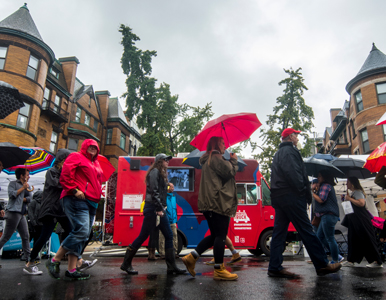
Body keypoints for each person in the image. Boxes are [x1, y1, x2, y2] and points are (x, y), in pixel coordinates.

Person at [268, 128, 341, 278]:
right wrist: (304, 193)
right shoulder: (289, 152)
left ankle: (274, 266)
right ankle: (321, 264)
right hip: (292, 197)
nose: (297, 137)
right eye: (296, 135)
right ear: (289, 137)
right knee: (307, 230)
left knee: (279, 233)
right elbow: (294, 175)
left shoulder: (278, 154)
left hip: (280, 197)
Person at [24, 149, 97, 275]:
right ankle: (30, 263)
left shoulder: (67, 173)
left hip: (62, 209)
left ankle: (77, 262)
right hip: (51, 209)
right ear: (63, 160)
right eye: (68, 160)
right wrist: (72, 183)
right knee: (44, 237)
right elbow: (60, 184)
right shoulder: (52, 172)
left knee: (74, 233)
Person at [181, 136, 239, 281]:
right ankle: (219, 269)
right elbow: (230, 172)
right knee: (220, 236)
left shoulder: (208, 159)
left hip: (211, 203)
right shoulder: (216, 157)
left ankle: (191, 258)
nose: (225, 145)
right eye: (223, 143)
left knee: (215, 236)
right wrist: (233, 160)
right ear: (216, 144)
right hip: (217, 202)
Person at [46, 140, 104, 281]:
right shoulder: (76, 156)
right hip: (76, 198)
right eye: (90, 146)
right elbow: (65, 176)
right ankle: (55, 260)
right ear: (84, 146)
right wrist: (74, 189)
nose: (93, 148)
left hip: (92, 202)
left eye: (95, 147)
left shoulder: (96, 163)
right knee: (82, 231)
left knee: (84, 234)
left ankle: (71, 270)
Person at [120, 153, 186, 275]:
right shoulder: (155, 172)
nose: (168, 162)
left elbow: (159, 191)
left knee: (168, 235)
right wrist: (159, 208)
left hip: (157, 208)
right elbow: (154, 192)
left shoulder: (161, 173)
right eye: (166, 160)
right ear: (160, 161)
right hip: (153, 209)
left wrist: (166, 186)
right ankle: (126, 263)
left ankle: (171, 266)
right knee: (144, 236)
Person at [342, 177, 383, 268]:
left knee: (366, 238)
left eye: (348, 182)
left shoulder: (358, 192)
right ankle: (351, 260)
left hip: (361, 220)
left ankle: (376, 261)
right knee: (353, 239)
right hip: (354, 220)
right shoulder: (353, 193)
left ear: (352, 183)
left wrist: (349, 199)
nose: (346, 184)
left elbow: (361, 203)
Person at [0, 168, 32, 265]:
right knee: (6, 237)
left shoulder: (28, 186)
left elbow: (31, 198)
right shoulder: (13, 184)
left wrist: (24, 198)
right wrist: (22, 188)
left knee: (26, 236)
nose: (28, 177)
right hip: (13, 212)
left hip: (22, 214)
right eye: (26, 175)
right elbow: (12, 194)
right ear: (21, 176)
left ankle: (29, 259)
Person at [312, 171, 340, 264]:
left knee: (329, 238)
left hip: (328, 215)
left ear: (324, 177)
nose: (318, 178)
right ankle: (334, 257)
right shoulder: (326, 186)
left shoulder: (325, 186)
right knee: (320, 237)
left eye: (319, 176)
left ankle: (335, 259)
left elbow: (321, 200)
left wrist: (312, 193)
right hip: (328, 215)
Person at [158, 186, 179, 259]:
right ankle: (162, 253)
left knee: (174, 236)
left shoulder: (173, 197)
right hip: (165, 220)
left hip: (173, 220)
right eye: (172, 187)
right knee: (162, 237)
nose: (173, 188)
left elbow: (174, 209)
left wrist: (175, 219)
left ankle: (175, 252)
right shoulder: (163, 197)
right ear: (167, 187)